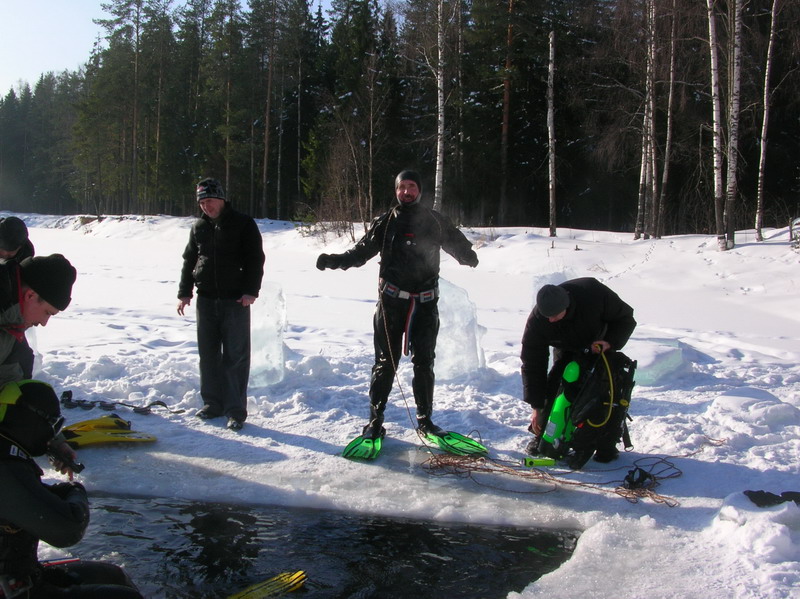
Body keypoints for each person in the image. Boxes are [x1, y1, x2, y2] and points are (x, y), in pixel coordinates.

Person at [316, 170, 479, 440]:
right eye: (402, 187)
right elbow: (360, 253)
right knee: (384, 364)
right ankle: (374, 421)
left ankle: (426, 420)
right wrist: (334, 261)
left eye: (411, 187)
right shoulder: (386, 222)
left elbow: (456, 243)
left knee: (424, 363)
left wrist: (468, 256)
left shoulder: (436, 221)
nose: (406, 192)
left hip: (425, 305)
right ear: (396, 191)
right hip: (391, 304)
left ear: (420, 190)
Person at [0, 379, 143, 598]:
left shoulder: (9, 453)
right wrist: (75, 491)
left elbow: (18, 502)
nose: (52, 435)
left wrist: (56, 492)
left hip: (19, 575)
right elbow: (67, 529)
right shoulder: (6, 465)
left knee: (112, 575)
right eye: (53, 425)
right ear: (31, 421)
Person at [177, 178, 265, 431]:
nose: (206, 207)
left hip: (235, 300)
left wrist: (251, 291)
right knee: (208, 355)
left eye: (210, 201)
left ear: (222, 199)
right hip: (206, 299)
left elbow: (255, 259)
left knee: (235, 357)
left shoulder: (243, 224)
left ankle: (235, 410)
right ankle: (212, 404)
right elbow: (189, 260)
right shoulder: (198, 227)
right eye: (202, 203)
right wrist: (185, 292)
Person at [520, 277, 636, 462]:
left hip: (598, 345)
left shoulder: (593, 294)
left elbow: (626, 318)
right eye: (546, 316)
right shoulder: (538, 321)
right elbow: (532, 363)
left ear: (566, 305)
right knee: (557, 386)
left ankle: (605, 442)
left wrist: (610, 342)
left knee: (603, 395)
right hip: (566, 347)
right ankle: (545, 435)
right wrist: (536, 407)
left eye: (555, 316)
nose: (550, 320)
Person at [0, 254, 77, 388]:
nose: (43, 323)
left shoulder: (10, 326)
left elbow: (10, 379)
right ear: (30, 295)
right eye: (47, 313)